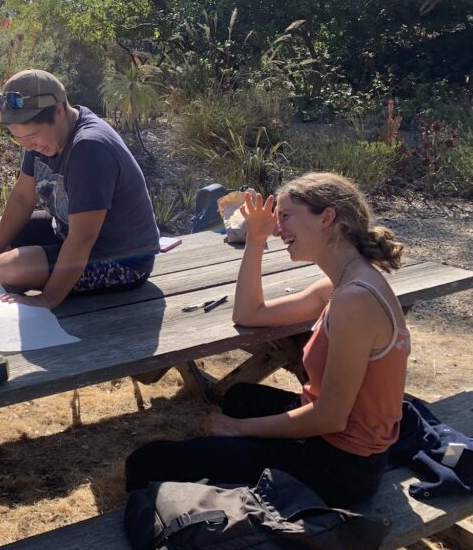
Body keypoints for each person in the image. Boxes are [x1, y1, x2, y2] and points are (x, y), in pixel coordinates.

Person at [125, 172, 410, 507]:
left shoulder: (354, 299)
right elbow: (249, 314)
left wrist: (239, 429)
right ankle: (229, 467)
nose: (278, 229)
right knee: (241, 397)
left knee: (144, 464)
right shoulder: (343, 283)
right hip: (334, 440)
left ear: (327, 218)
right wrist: (256, 241)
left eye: (286, 217)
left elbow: (330, 417)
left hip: (340, 468)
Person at [0, 69, 160, 310]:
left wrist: (48, 299)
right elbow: (23, 196)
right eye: (19, 140)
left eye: (32, 136)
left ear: (59, 110)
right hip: (66, 230)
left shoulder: (89, 148)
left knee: (12, 267)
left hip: (121, 260)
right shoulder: (43, 141)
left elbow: (83, 238)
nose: (28, 146)